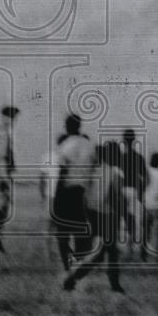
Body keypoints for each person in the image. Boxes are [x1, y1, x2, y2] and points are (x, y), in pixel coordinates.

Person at [63, 141, 125, 293]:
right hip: (108, 215)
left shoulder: (94, 171)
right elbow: (116, 197)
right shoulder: (115, 174)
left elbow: (85, 195)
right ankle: (112, 284)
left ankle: (74, 278)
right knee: (108, 253)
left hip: (92, 214)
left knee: (101, 253)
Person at [52, 114, 94, 271]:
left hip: (67, 190)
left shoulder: (66, 145)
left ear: (68, 126)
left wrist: (57, 197)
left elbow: (62, 172)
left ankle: (67, 265)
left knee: (62, 232)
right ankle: (79, 262)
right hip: (84, 191)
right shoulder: (89, 144)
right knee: (81, 230)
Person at [120, 129, 148, 258]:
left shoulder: (120, 157)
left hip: (122, 190)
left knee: (122, 221)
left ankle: (124, 248)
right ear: (134, 140)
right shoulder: (139, 157)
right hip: (134, 191)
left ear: (124, 140)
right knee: (133, 221)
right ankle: (130, 249)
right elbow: (146, 178)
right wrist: (141, 192)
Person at [144, 152, 158, 256]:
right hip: (157, 206)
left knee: (146, 230)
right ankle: (157, 254)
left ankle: (143, 253)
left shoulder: (146, 172)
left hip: (146, 204)